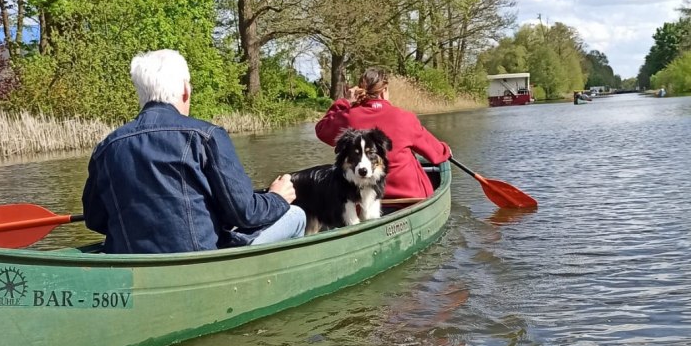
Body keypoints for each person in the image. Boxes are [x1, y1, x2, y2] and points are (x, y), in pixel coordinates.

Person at [82, 49, 305, 254]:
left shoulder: (106, 147)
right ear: (186, 90)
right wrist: (277, 197)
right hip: (198, 260)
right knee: (296, 215)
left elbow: (95, 219)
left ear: (140, 94)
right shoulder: (206, 136)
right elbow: (244, 213)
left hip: (133, 260)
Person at [315, 67, 451, 200]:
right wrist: (446, 150)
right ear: (384, 90)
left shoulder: (348, 116)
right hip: (408, 198)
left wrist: (344, 102)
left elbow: (321, 130)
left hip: (362, 200)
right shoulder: (405, 117)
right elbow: (437, 154)